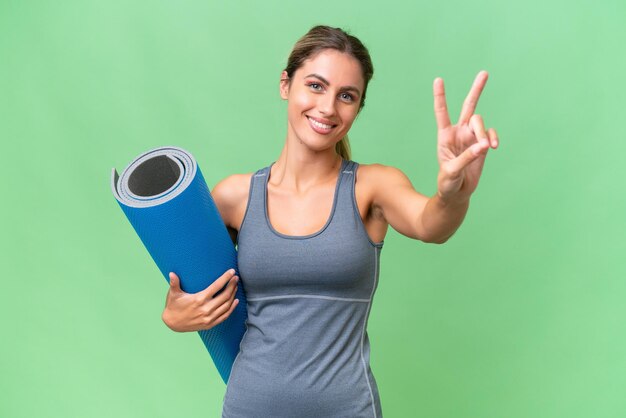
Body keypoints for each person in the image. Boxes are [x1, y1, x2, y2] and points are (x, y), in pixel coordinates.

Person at [161, 25, 498, 418]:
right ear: (285, 85)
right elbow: (190, 290)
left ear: (357, 108)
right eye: (316, 86)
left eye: (347, 96)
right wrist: (174, 315)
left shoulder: (373, 186)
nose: (328, 108)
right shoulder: (234, 197)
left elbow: (431, 224)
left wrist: (453, 194)